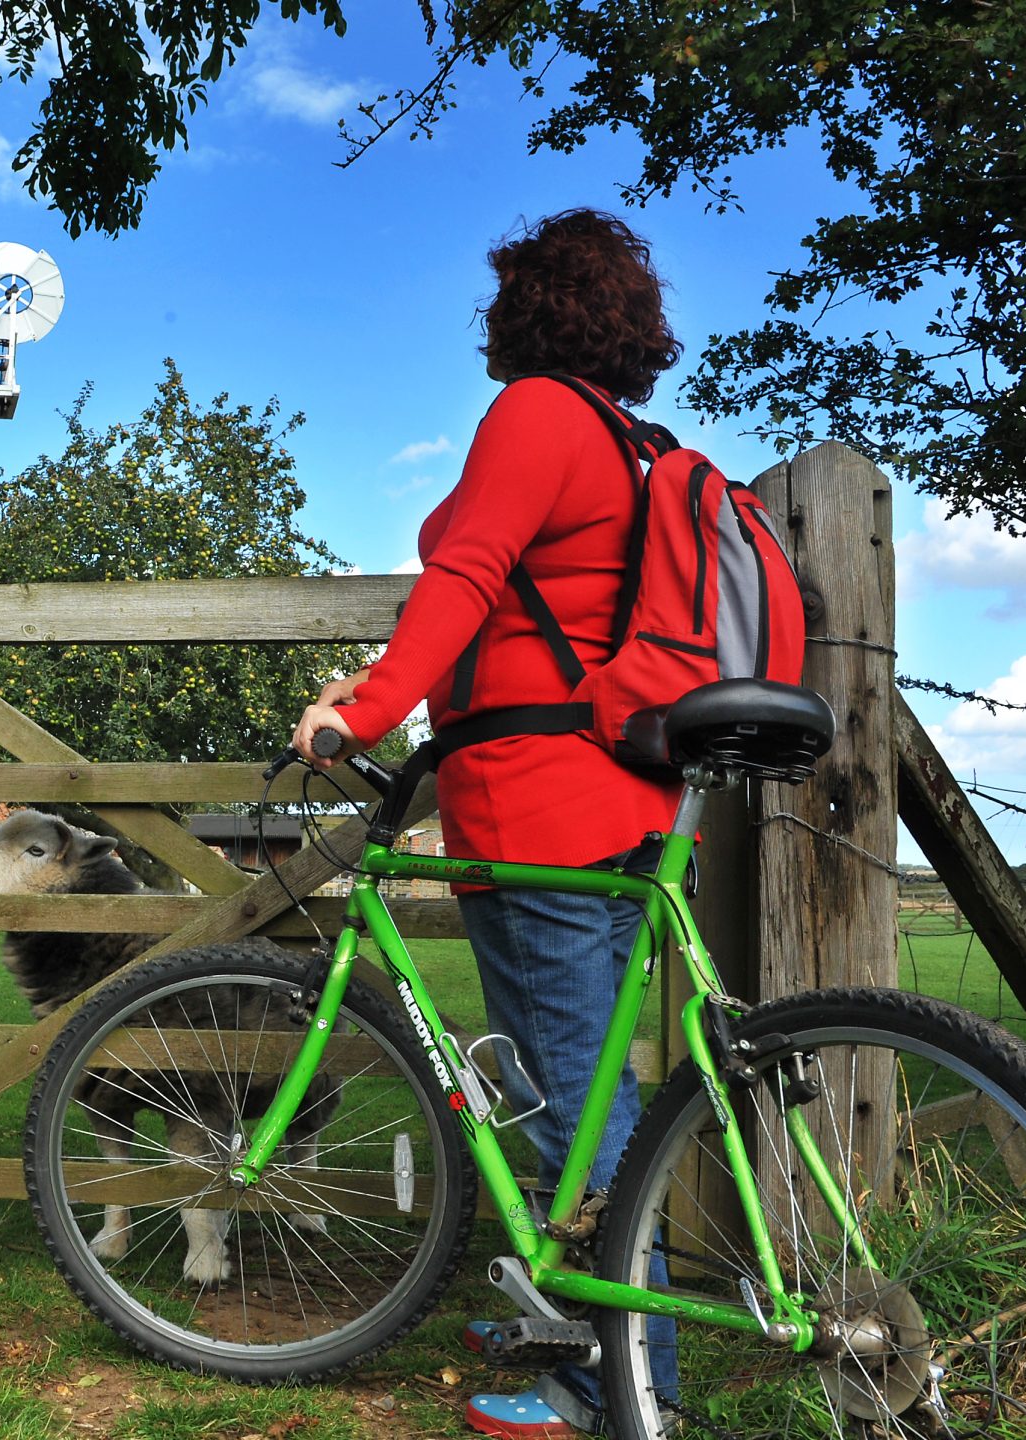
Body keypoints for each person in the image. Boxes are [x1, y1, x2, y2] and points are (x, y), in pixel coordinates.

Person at [292, 209, 682, 1439]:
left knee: (580, 1106)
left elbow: (465, 576)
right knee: (583, 1093)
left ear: (525, 308)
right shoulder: (626, 439)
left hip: (541, 801)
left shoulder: (537, 415)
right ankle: (584, 1329)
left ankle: (619, 1390)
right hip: (599, 794)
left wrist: (360, 708)